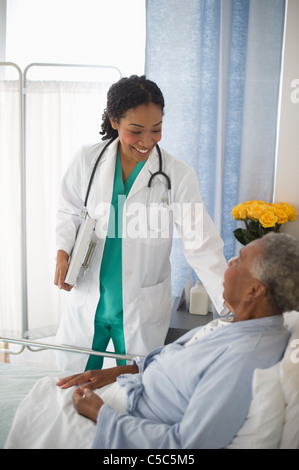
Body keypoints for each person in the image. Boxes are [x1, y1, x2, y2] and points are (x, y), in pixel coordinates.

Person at [56, 232, 299, 449]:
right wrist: (122, 371)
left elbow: (185, 445)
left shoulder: (246, 360)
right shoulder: (238, 327)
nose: (230, 262)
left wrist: (101, 414)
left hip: (120, 420)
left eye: (240, 260)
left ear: (255, 291)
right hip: (127, 390)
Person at [54, 75, 228, 371]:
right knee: (72, 386)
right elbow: (68, 210)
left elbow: (201, 243)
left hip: (140, 303)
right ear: (114, 121)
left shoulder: (178, 175)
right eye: (136, 131)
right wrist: (62, 252)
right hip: (89, 298)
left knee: (138, 387)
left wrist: (230, 304)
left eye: (156, 129)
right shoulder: (87, 160)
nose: (147, 141)